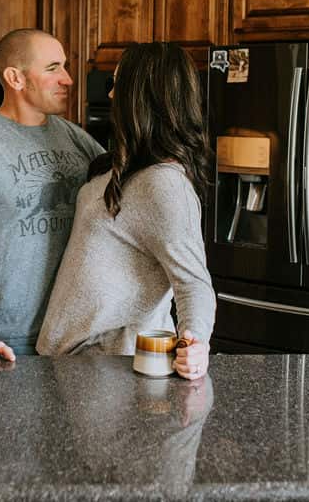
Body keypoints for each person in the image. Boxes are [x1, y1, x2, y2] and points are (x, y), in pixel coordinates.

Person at [36, 43, 215, 380]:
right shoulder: (121, 165)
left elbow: (193, 283)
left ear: (140, 97)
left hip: (111, 367)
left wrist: (197, 345)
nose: (112, 94)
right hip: (75, 361)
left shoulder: (165, 184)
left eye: (118, 83)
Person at [0, 28, 105, 371]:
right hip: (8, 342)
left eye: (65, 67)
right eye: (53, 68)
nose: (68, 79)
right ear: (15, 78)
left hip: (79, 337)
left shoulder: (76, 139)